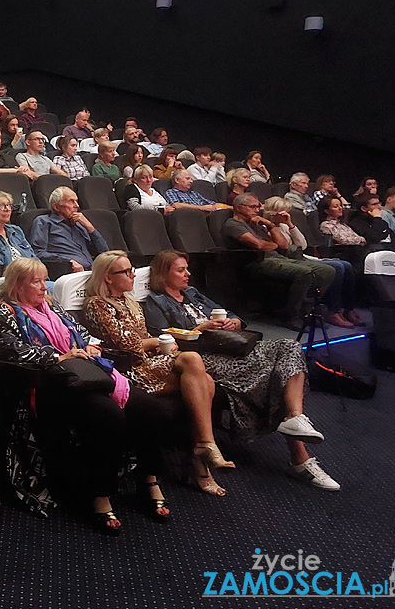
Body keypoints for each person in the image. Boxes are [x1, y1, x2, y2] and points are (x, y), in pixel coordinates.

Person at [0, 258, 173, 531]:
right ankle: (100, 495)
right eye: (36, 282)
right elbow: (12, 352)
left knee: (149, 408)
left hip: (86, 372)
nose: (44, 287)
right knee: (110, 417)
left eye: (45, 280)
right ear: (18, 285)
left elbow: (82, 334)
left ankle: (149, 480)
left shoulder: (52, 307)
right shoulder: (3, 313)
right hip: (50, 383)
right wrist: (59, 357)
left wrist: (92, 347)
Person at [143, 251, 340, 490]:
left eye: (187, 268)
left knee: (289, 347)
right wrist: (202, 326)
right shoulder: (156, 302)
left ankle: (295, 417)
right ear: (163, 275)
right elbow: (161, 337)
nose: (188, 274)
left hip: (232, 348)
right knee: (275, 376)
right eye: (181, 270)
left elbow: (234, 317)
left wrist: (232, 323)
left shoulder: (193, 294)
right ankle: (301, 457)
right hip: (202, 358)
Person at [82, 251, 232, 496]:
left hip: (149, 363)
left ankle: (202, 451)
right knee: (194, 363)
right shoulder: (97, 304)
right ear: (108, 277)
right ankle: (201, 454)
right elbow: (125, 345)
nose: (133, 275)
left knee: (204, 379)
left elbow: (141, 341)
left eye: (132, 269)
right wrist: (157, 342)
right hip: (127, 372)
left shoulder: (130, 302)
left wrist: (156, 344)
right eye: (126, 271)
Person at [222, 193, 336, 330]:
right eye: (253, 207)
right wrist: (272, 244)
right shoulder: (233, 224)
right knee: (304, 273)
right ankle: (291, 316)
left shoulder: (257, 224)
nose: (257, 210)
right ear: (239, 207)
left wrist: (269, 224)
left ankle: (306, 312)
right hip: (256, 262)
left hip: (277, 258)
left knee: (327, 270)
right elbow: (258, 245)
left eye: (258, 206)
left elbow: (283, 245)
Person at [262, 197, 361, 327]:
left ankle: (348, 309)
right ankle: (333, 312)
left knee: (346, 265)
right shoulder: (266, 227)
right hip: (292, 260)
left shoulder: (285, 226)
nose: (286, 215)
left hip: (303, 256)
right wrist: (274, 226)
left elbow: (302, 245)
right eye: (283, 212)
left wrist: (291, 225)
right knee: (337, 267)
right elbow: (284, 248)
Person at [30, 187, 109, 272]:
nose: (77, 206)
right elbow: (38, 252)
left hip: (91, 271)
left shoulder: (79, 224)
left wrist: (89, 227)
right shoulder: (44, 221)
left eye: (76, 201)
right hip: (68, 272)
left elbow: (104, 252)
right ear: (56, 207)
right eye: (71, 201)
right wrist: (68, 262)